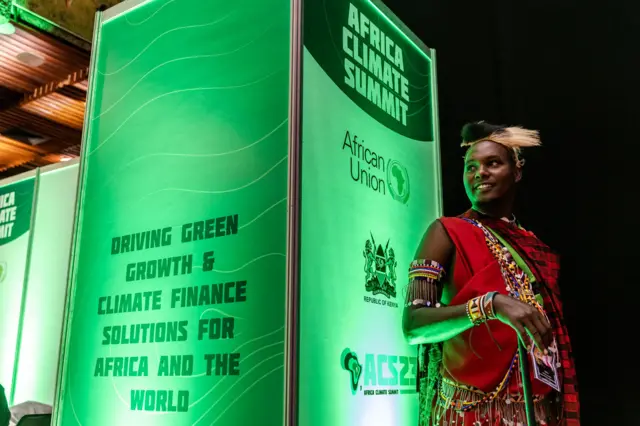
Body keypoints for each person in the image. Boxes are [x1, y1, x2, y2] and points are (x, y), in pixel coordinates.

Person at [402, 122, 580, 425]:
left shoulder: (534, 247)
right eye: (471, 167)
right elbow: (414, 326)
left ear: (517, 171)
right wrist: (491, 305)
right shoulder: (446, 231)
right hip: (470, 410)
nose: (479, 173)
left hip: (536, 408)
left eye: (492, 163)